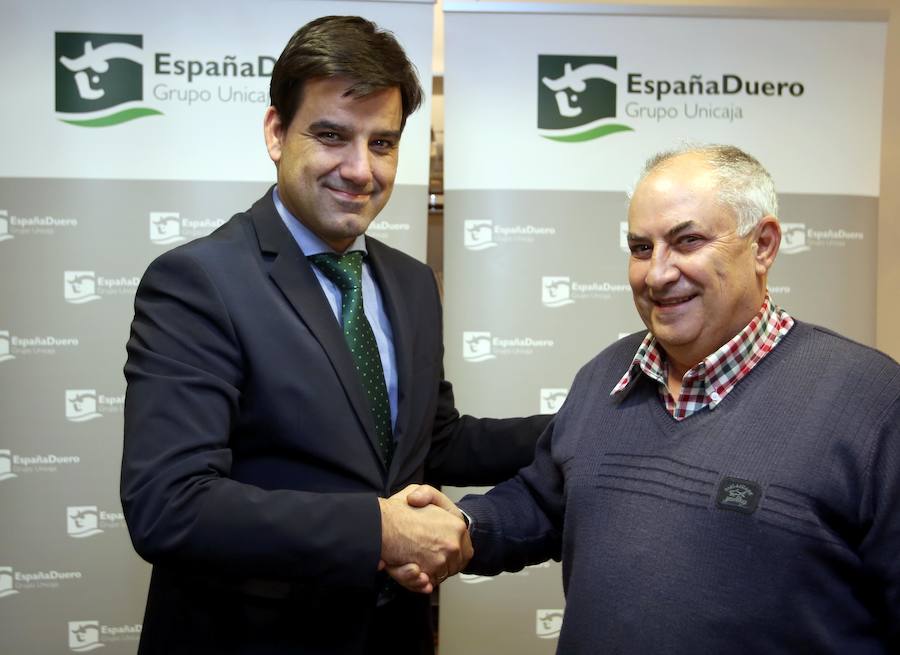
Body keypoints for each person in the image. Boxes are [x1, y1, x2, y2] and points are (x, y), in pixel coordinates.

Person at [120, 16, 549, 655]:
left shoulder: (409, 282)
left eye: (382, 143)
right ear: (276, 132)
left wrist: (582, 424)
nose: (359, 169)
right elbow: (170, 505)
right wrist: (378, 530)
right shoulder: (197, 281)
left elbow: (431, 440)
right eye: (331, 136)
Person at [408, 145, 900, 652]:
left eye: (687, 241)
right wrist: (462, 525)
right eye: (641, 248)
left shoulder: (873, 403)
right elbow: (543, 501)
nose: (658, 273)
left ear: (764, 245)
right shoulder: (605, 375)